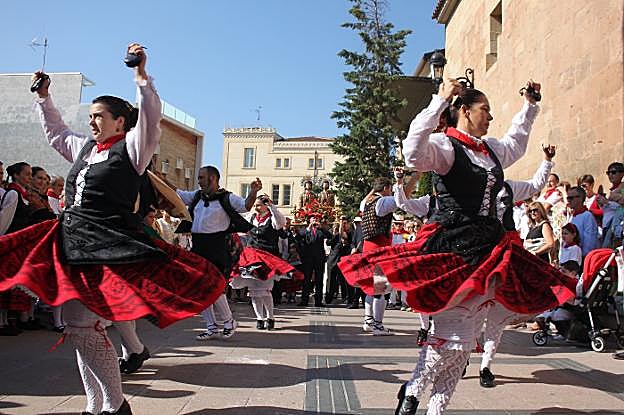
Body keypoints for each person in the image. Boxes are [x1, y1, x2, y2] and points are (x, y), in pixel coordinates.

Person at [0, 44, 226, 415]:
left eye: (99, 116)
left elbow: (150, 119)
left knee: (83, 327)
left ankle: (114, 405)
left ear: (120, 122)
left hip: (107, 245)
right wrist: (44, 98)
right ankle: (98, 405)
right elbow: (56, 133)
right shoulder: (85, 148)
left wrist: (141, 77)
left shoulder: (133, 149)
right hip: (73, 241)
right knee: (78, 329)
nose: (92, 122)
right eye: (90, 116)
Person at [340, 79, 575, 415]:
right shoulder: (446, 146)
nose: (490, 117)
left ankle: (429, 406)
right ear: (465, 111)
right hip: (452, 250)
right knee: (450, 338)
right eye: (485, 110)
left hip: (489, 251)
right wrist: (439, 100)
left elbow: (516, 143)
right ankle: (413, 390)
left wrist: (530, 105)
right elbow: (413, 152)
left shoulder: (490, 149)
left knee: (463, 346)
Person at [176, 166, 261, 340]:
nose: (199, 181)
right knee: (201, 288)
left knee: (215, 287)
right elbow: (175, 193)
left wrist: (253, 192)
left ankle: (229, 322)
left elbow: (246, 206)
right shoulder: (196, 196)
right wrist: (156, 177)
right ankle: (211, 327)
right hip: (198, 246)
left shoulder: (227, 197)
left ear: (213, 179)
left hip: (218, 247)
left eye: (201, 177)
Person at [231, 194, 293, 330]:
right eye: (255, 205)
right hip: (251, 258)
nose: (256, 208)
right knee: (254, 291)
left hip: (267, 259)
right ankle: (260, 318)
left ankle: (270, 317)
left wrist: (272, 206)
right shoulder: (251, 218)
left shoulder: (272, 219)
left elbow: (281, 222)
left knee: (264, 290)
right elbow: (239, 226)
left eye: (259, 205)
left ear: (266, 206)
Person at [358, 177, 397, 336]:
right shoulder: (383, 202)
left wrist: (374, 189)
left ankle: (368, 321)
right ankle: (378, 325)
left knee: (371, 288)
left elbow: (365, 199)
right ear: (386, 188)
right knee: (380, 289)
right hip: (379, 247)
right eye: (390, 188)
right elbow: (401, 199)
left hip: (368, 247)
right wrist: (411, 178)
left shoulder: (366, 203)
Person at [298, 215, 331, 307]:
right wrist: (309, 228)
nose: (315, 220)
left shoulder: (321, 231)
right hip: (308, 258)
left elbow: (330, 236)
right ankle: (304, 300)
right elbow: (299, 236)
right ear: (309, 220)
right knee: (306, 279)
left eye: (316, 219)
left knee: (319, 279)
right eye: (313, 218)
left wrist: (321, 228)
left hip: (319, 258)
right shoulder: (305, 230)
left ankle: (318, 301)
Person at [325, 216, 353, 305]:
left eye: (344, 222)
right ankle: (329, 297)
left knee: (344, 280)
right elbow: (328, 242)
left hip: (343, 259)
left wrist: (342, 229)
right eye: (341, 221)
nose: (343, 224)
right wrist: (335, 233)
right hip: (333, 259)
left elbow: (346, 237)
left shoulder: (349, 232)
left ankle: (346, 297)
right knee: (331, 279)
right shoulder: (333, 233)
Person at [567, 186, 600, 258]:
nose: (568, 201)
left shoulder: (588, 216)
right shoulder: (572, 216)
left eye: (571, 198)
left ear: (580, 198)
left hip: (582, 258)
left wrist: (582, 257)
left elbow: (590, 242)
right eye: (567, 198)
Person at [598, 162, 624, 248]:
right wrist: (602, 203)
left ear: (621, 174)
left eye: (613, 172)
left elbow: (621, 207)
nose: (610, 175)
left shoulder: (622, 188)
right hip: (607, 224)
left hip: (615, 225)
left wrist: (607, 202)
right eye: (608, 173)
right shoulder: (613, 190)